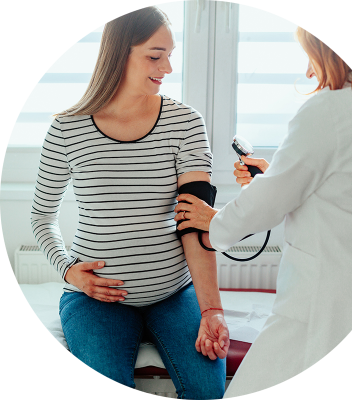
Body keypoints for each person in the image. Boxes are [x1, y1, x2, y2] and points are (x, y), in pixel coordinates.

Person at [174, 26, 352, 397]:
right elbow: (341, 188)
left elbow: (271, 203)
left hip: (324, 300)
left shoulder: (328, 108)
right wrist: (272, 177)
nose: (309, 70)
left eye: (309, 55)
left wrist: (214, 222)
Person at [30, 7, 229, 398]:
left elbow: (194, 222)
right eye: (155, 56)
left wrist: (211, 310)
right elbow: (41, 215)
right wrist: (70, 272)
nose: (168, 67)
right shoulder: (66, 128)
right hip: (95, 298)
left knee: (207, 392)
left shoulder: (186, 122)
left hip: (173, 293)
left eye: (171, 54)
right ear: (119, 53)